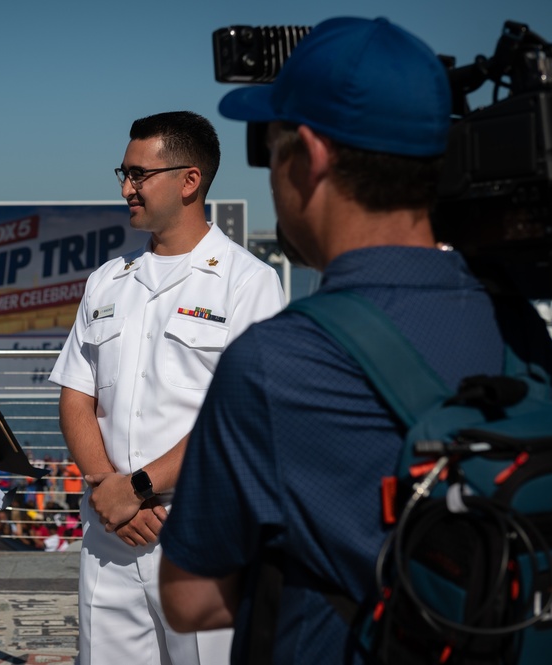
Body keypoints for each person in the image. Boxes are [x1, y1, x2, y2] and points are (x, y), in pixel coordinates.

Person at [158, 17, 552, 665]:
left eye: (267, 145)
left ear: (309, 154)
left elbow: (189, 597)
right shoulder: (519, 325)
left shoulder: (274, 363)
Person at [49, 111, 285, 665]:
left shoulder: (248, 283)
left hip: (200, 534)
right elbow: (76, 395)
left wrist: (139, 486)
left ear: (189, 180)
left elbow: (245, 417)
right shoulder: (107, 280)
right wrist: (111, 489)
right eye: (123, 173)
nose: (126, 187)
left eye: (139, 174)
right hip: (111, 531)